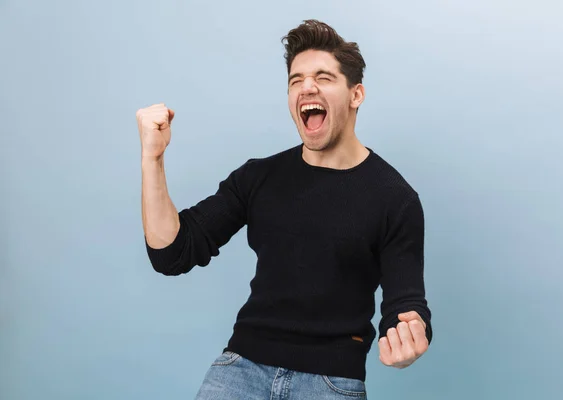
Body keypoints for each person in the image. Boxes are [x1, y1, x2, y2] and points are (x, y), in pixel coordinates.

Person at [137, 19, 432, 400]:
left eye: (323, 77)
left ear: (356, 94)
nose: (307, 87)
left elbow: (405, 304)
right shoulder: (259, 177)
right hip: (240, 370)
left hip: (331, 382)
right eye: (296, 80)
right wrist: (152, 158)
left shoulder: (396, 198)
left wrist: (408, 333)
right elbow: (171, 253)